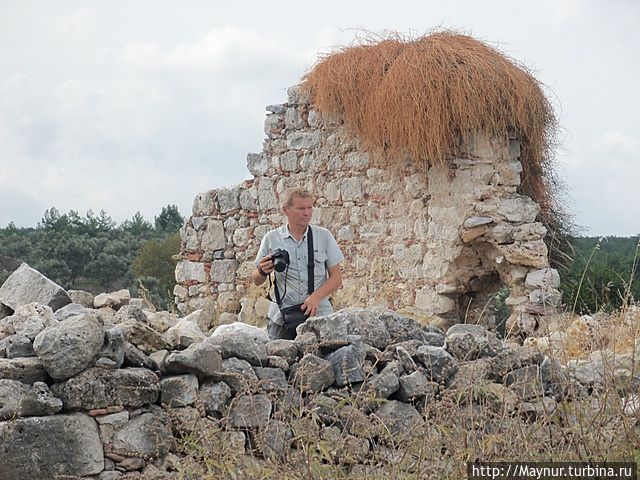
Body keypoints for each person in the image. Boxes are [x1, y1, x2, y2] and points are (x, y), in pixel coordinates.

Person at [252, 187, 344, 340]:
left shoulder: (324, 236)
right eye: (301, 208)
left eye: (309, 208)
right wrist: (262, 271)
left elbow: (336, 278)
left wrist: (315, 298)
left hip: (319, 313)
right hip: (282, 317)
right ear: (285, 210)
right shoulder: (271, 238)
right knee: (275, 361)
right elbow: (256, 280)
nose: (307, 213)